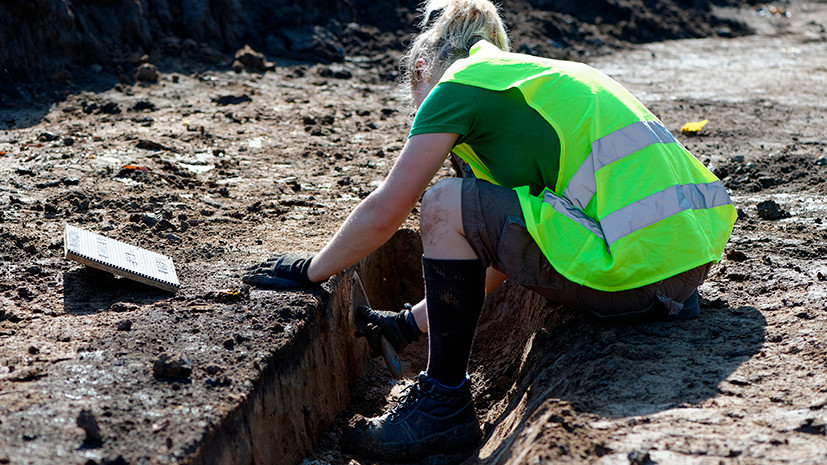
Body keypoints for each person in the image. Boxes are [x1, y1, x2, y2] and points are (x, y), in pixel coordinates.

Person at [242, 0, 737, 460]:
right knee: (461, 205)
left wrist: (310, 272)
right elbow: (508, 245)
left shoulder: (458, 85)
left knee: (441, 200)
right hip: (678, 272)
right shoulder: (530, 86)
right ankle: (444, 394)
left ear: (422, 72)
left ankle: (444, 404)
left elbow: (390, 208)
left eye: (418, 104)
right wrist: (410, 323)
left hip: (633, 275)